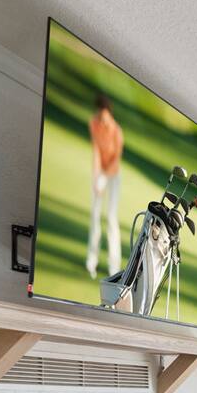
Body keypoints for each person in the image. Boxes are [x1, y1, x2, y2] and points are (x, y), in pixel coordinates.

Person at [86, 94, 125, 278]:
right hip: (100, 173)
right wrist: (96, 178)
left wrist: (103, 179)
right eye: (99, 114)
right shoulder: (93, 124)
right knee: (95, 216)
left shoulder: (117, 131)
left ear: (109, 112)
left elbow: (115, 160)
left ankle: (113, 267)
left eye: (104, 115)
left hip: (113, 175)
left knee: (110, 218)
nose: (101, 118)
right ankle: (91, 262)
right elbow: (95, 151)